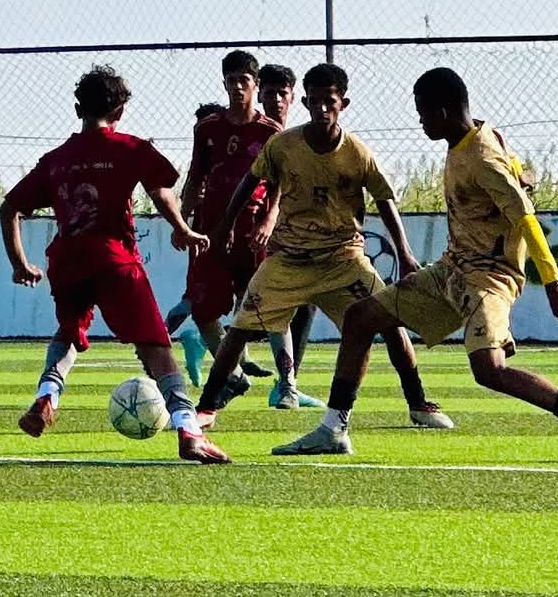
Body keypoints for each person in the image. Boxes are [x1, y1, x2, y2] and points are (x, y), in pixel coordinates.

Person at [272, 67, 558, 459]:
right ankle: (333, 428)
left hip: (488, 278)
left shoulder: (481, 159)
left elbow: (526, 218)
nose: (420, 122)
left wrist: (553, 284)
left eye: (422, 114)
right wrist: (521, 172)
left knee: (489, 370)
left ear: (442, 112)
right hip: (452, 271)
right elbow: (513, 168)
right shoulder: (475, 136)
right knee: (361, 318)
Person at [195, 63, 452, 428]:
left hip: (343, 259)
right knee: (239, 329)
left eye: (329, 101)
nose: (321, 108)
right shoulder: (283, 145)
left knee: (389, 321)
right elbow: (250, 181)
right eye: (314, 101)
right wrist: (223, 227)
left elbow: (384, 199)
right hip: (289, 260)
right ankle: (206, 407)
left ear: (343, 103)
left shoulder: (357, 153)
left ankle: (418, 402)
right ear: (305, 102)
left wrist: (405, 252)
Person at [0, 65, 230, 464]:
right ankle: (189, 429)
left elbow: (9, 209)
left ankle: (47, 394)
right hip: (114, 261)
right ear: (120, 110)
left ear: (78, 109)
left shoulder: (56, 160)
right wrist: (182, 229)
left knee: (69, 332)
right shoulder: (129, 148)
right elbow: (161, 191)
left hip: (67, 262)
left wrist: (19, 263)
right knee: (156, 347)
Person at [178, 51, 281, 391]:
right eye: (231, 80)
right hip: (211, 231)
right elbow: (195, 177)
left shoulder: (271, 132)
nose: (237, 87)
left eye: (244, 80)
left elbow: (279, 185)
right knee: (203, 309)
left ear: (255, 84)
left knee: (256, 308)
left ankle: (284, 380)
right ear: (224, 83)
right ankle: (234, 375)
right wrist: (182, 222)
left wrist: (269, 220)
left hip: (252, 231)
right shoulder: (208, 128)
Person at [167, 102, 273, 385]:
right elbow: (192, 184)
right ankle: (177, 336)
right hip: (208, 234)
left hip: (243, 232)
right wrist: (183, 222)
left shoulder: (260, 138)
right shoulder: (207, 151)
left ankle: (237, 359)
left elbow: (273, 184)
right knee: (200, 299)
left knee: (245, 297)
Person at [253, 63, 323, 408]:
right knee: (262, 303)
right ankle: (208, 341)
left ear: (294, 97)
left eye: (283, 93)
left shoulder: (302, 138)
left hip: (294, 232)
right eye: (270, 93)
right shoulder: (256, 133)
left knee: (305, 303)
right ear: (259, 95)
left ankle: (288, 382)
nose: (277, 99)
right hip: (256, 231)